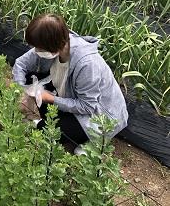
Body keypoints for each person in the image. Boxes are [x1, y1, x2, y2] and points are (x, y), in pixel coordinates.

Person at [12, 14, 129, 153]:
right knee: (30, 79)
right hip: (67, 94)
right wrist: (21, 90)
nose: (36, 52)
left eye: (40, 49)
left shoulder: (87, 64)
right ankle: (53, 123)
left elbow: (87, 106)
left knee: (48, 132)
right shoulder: (53, 42)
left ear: (55, 45)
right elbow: (21, 64)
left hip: (99, 115)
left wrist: (48, 98)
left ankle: (97, 141)